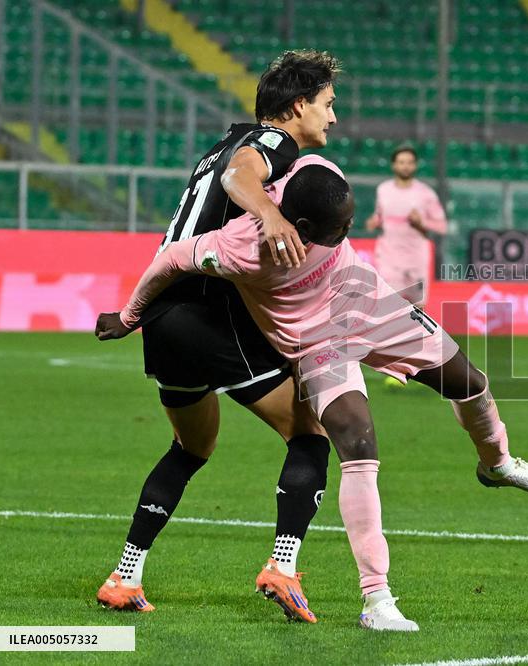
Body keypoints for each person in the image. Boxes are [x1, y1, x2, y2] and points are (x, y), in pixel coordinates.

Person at [97, 155, 528, 632]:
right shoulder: (240, 247)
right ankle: (377, 600)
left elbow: (256, 170)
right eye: (339, 228)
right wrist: (129, 315)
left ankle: (499, 464)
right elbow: (172, 259)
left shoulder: (317, 169)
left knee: (469, 381)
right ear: (303, 226)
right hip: (316, 343)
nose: (347, 232)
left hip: (366, 299)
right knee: (357, 444)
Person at [94, 50, 341, 623]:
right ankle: (283, 566)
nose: (334, 117)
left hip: (161, 316)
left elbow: (218, 186)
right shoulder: (274, 144)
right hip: (205, 309)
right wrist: (272, 217)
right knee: (313, 430)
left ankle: (124, 576)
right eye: (328, 105)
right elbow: (242, 178)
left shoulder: (221, 144)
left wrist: (130, 315)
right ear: (297, 106)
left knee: (192, 448)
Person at [364, 145, 447, 307]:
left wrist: (421, 222)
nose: (405, 166)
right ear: (394, 165)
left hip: (416, 258)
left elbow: (442, 226)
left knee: (418, 307)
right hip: (389, 257)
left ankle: (419, 333)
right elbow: (380, 215)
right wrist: (375, 221)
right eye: (401, 162)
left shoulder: (425, 193)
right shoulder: (383, 190)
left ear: (415, 165)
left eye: (409, 162)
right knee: (388, 305)